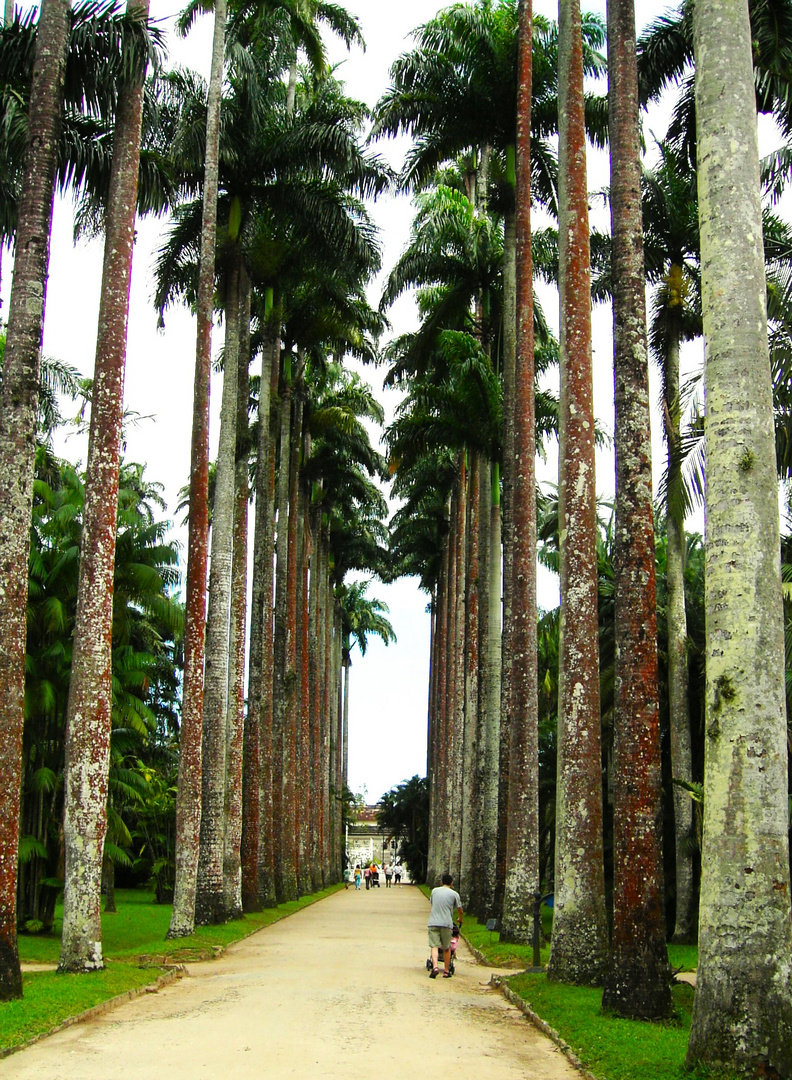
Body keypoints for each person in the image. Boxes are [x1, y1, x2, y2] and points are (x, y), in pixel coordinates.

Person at [427, 872, 463, 979]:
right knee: (447, 948)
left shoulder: (434, 891)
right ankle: (446, 971)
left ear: (441, 882)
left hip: (433, 922)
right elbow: (459, 909)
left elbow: (432, 903)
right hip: (447, 923)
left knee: (434, 946)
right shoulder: (454, 894)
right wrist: (460, 919)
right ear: (452, 883)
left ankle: (435, 967)